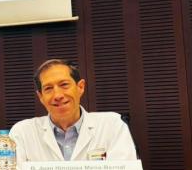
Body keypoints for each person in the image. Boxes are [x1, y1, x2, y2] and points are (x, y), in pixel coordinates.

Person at [9, 59, 137, 162]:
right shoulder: (22, 132)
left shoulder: (111, 124)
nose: (57, 95)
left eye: (64, 85)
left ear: (80, 87)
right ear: (41, 96)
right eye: (48, 88)